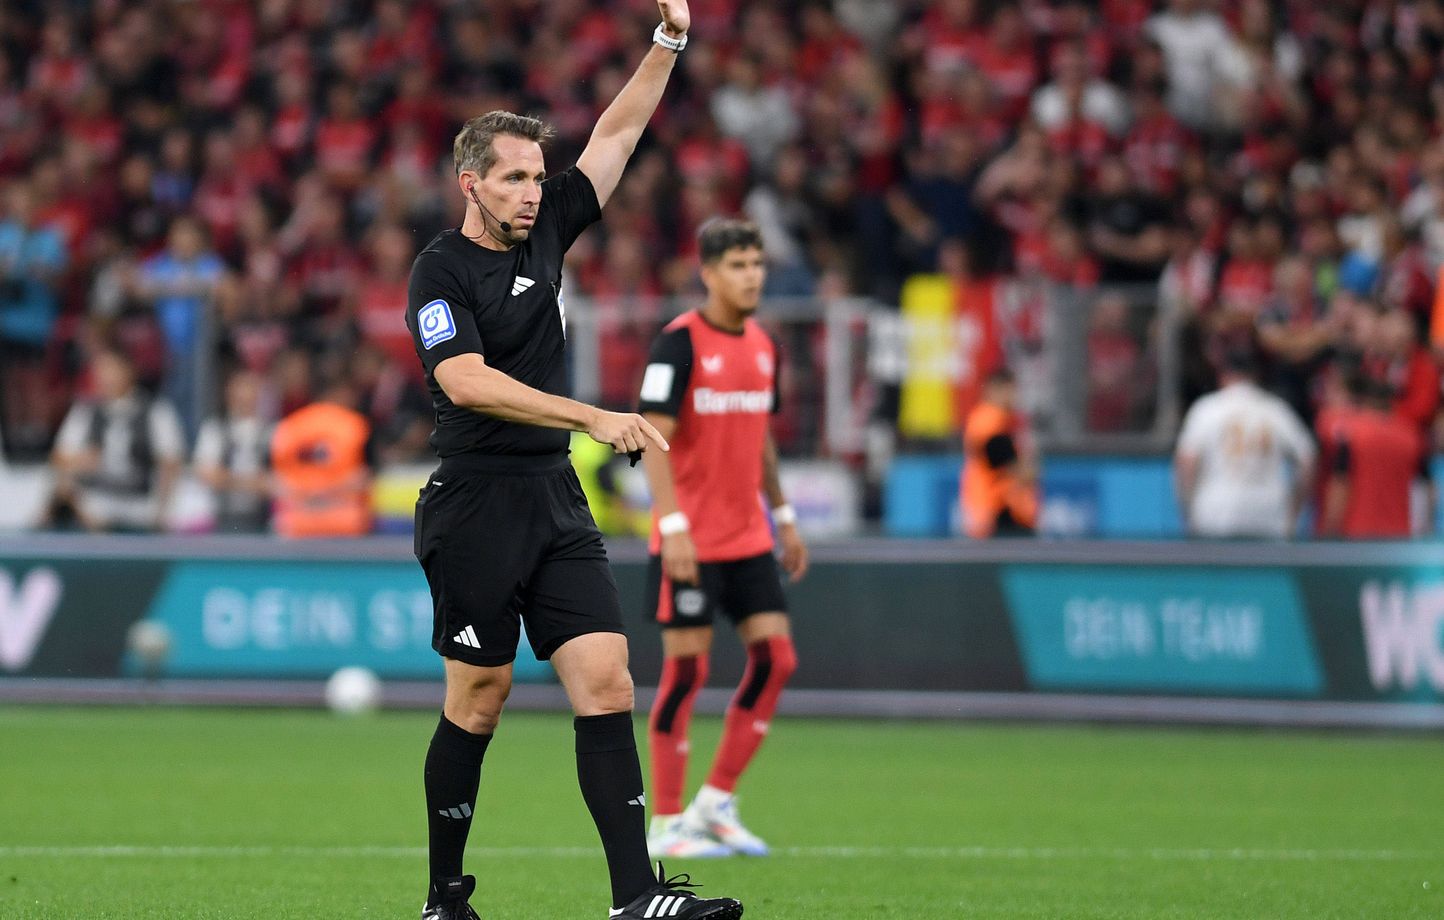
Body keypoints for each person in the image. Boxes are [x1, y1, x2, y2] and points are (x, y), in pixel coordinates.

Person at [405, 3, 743, 918]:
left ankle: (637, 898)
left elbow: (621, 130)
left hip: (552, 499)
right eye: (512, 178)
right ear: (470, 184)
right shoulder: (439, 273)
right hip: (473, 503)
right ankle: (445, 899)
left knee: (607, 679)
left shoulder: (549, 224)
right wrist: (593, 414)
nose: (531, 191)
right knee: (479, 699)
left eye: (537, 177)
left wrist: (668, 40)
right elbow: (467, 382)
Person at [634, 219, 809, 860]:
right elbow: (652, 436)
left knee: (777, 660)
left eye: (757, 264)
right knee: (687, 672)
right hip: (690, 541)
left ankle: (716, 802)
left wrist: (783, 514)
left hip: (747, 537)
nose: (751, 276)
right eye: (737, 265)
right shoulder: (677, 344)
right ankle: (668, 823)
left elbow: (760, 434)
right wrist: (672, 525)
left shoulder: (766, 346)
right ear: (708, 273)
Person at [1174, 346, 1316, 539]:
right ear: (1254, 376)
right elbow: (1307, 457)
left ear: (1223, 374)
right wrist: (1294, 510)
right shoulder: (1274, 409)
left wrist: (1188, 510)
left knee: (1219, 568)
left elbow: (1187, 462)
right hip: (1268, 510)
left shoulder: (1207, 408)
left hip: (1217, 509)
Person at [47, 347, 185, 533]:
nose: (104, 377)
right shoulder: (86, 411)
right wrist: (82, 459)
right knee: (59, 480)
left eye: (110, 369)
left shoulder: (156, 411)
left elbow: (171, 461)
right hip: (95, 506)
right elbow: (58, 457)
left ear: (129, 371)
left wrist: (160, 513)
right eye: (100, 371)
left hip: (141, 505)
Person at [1321, 374, 1425, 539]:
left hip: (1357, 534)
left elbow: (1340, 482)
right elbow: (1424, 489)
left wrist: (1328, 530)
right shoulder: (1410, 435)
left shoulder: (1351, 433)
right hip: (1400, 536)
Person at [269, 376, 373, 538]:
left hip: (297, 521)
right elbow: (365, 476)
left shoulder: (288, 426)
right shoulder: (356, 425)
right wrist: (329, 491)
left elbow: (278, 481)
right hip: (344, 520)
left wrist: (309, 493)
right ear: (336, 393)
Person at [960, 368, 1039, 538]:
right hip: (998, 510)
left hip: (996, 510)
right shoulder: (990, 422)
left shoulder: (998, 420)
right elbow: (1015, 468)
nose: (1013, 396)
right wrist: (1029, 466)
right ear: (994, 389)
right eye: (1010, 390)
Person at [193, 368, 273, 533]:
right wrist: (255, 483)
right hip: (221, 518)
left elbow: (279, 482)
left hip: (263, 520)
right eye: (239, 390)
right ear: (229, 393)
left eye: (250, 389)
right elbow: (207, 475)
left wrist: (228, 479)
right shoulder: (214, 429)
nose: (244, 397)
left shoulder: (274, 432)